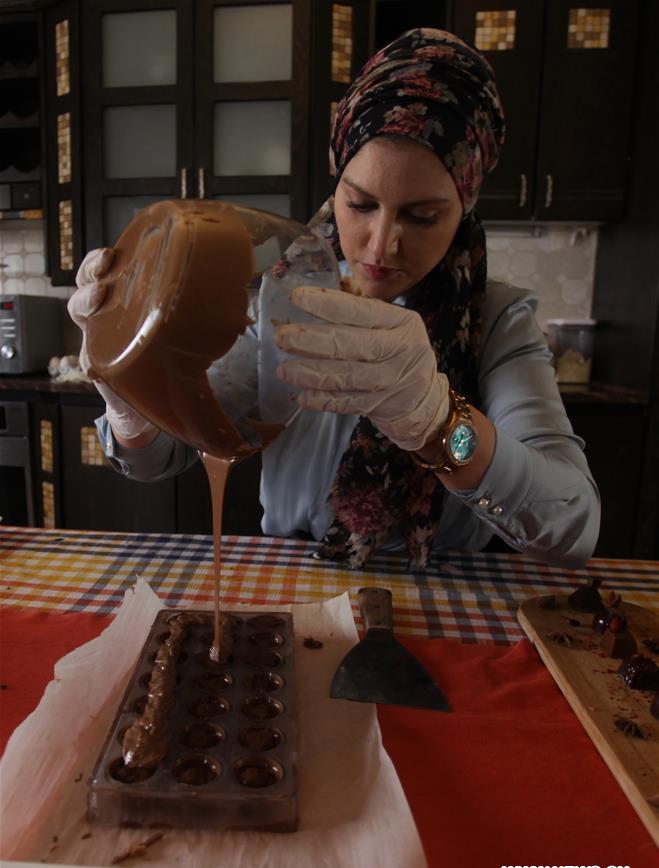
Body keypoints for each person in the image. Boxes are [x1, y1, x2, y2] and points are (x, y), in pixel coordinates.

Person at [68, 28, 600, 571]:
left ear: (464, 205)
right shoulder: (283, 292)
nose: (380, 243)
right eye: (360, 203)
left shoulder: (498, 321)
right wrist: (129, 401)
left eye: (422, 216)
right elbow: (168, 454)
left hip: (439, 583)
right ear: (336, 182)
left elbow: (571, 528)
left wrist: (439, 424)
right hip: (293, 576)